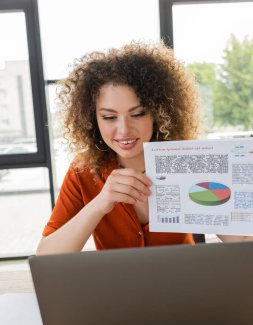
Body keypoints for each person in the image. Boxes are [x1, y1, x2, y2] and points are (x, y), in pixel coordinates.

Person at [36, 42, 252, 255]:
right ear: (93, 120)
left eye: (138, 114)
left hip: (185, 285)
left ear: (158, 113)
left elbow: (243, 242)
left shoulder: (188, 161)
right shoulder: (82, 171)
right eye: (109, 117)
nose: (124, 130)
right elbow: (46, 256)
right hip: (119, 287)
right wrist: (100, 203)